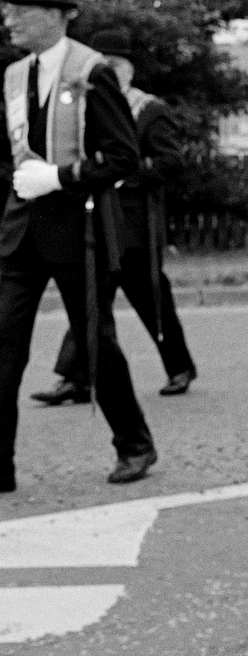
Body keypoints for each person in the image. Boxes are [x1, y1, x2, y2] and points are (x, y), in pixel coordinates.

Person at [0, 0, 156, 488]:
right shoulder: (14, 74)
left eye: (21, 9)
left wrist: (61, 177)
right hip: (21, 231)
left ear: (54, 15)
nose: (10, 17)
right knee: (4, 344)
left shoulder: (92, 71)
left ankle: (134, 445)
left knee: (95, 343)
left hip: (79, 231)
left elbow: (123, 156)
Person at [32, 28, 197, 405]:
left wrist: (126, 171)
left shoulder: (149, 109)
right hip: (97, 219)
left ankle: (179, 367)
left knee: (152, 300)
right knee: (88, 300)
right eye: (102, 64)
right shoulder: (83, 108)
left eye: (116, 65)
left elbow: (171, 160)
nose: (108, 71)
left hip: (135, 224)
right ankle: (76, 378)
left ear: (130, 70)